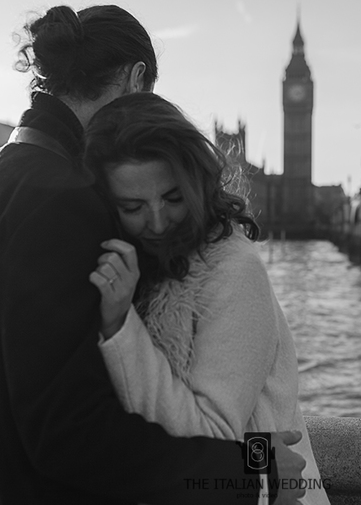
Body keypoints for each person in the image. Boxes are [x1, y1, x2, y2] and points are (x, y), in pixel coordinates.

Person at [0, 4, 306, 504]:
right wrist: (254, 471)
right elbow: (72, 433)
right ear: (136, 79)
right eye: (136, 205)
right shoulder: (62, 198)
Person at [83, 92, 331, 505]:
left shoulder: (235, 270)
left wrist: (119, 326)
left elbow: (213, 438)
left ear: (196, 182)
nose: (158, 221)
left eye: (173, 198)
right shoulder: (140, 268)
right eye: (133, 206)